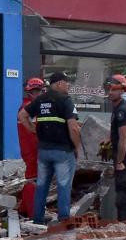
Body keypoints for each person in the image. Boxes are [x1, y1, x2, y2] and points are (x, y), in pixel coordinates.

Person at [19, 71, 83, 223]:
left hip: (44, 151)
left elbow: (22, 115)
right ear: (59, 83)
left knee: (41, 186)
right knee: (63, 186)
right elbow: (73, 127)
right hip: (63, 151)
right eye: (67, 82)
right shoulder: (65, 100)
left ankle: (38, 219)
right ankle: (63, 220)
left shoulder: (41, 100)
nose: (68, 85)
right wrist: (77, 148)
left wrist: (33, 129)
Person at [105, 75, 126, 220]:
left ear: (121, 91)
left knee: (123, 194)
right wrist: (109, 141)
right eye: (108, 89)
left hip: (125, 159)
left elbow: (123, 139)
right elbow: (119, 135)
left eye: (113, 89)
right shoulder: (120, 107)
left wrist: (119, 162)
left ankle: (124, 224)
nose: (110, 92)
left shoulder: (122, 111)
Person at [16, 76, 45, 218]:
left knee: (32, 179)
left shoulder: (25, 106)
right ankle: (33, 213)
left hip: (30, 149)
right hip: (33, 150)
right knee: (33, 180)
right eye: (38, 91)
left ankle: (23, 209)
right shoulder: (30, 109)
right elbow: (35, 129)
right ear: (31, 92)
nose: (40, 94)